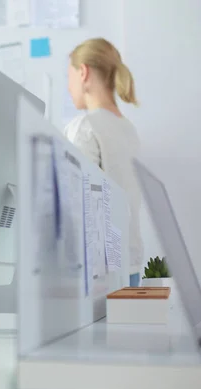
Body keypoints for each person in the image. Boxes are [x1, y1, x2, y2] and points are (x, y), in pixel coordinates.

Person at [65, 38, 143, 287]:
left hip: (99, 273)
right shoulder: (128, 129)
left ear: (83, 72)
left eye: (70, 78)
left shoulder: (85, 127)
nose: (69, 88)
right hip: (130, 264)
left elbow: (74, 203)